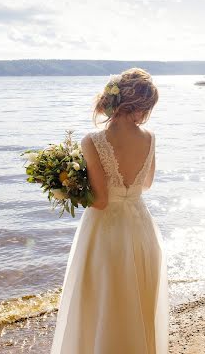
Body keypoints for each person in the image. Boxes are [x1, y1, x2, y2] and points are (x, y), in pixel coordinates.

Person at [50, 68, 169, 354]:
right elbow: (147, 184)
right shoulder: (150, 138)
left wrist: (68, 187)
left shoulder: (93, 140)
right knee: (136, 301)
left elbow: (101, 200)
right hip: (141, 229)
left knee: (102, 304)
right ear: (142, 106)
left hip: (106, 233)